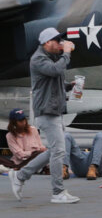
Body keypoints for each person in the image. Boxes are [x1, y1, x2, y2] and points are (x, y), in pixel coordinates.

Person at [10, 28, 78, 204]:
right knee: (59, 151)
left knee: (55, 150)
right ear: (47, 42)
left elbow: (54, 80)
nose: (60, 43)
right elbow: (55, 71)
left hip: (53, 110)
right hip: (46, 111)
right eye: (57, 41)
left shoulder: (49, 58)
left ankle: (21, 175)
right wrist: (67, 53)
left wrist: (70, 86)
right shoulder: (38, 59)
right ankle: (58, 192)